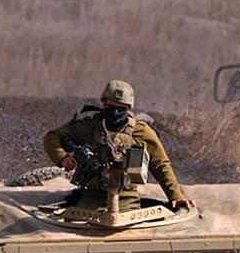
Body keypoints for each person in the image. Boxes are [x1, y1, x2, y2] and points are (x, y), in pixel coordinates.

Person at [42, 80, 193, 209]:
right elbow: (52, 137)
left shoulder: (142, 132)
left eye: (121, 109)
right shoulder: (89, 126)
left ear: (128, 108)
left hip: (127, 202)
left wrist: (175, 196)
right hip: (88, 200)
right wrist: (62, 158)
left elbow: (161, 164)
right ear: (103, 103)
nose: (115, 113)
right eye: (111, 107)